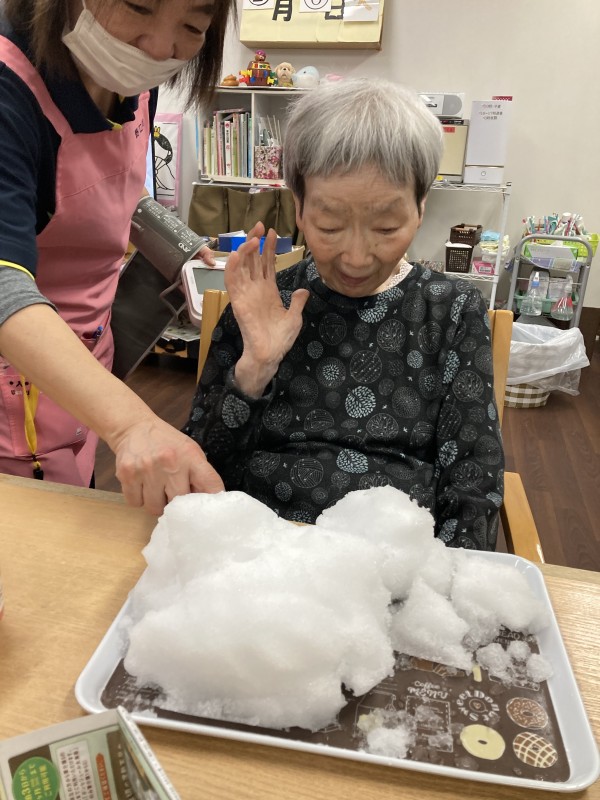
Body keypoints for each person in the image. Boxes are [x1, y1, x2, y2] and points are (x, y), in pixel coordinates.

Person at [184, 78, 505, 550]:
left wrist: (445, 583)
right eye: (330, 225)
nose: (356, 257)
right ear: (299, 207)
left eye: (386, 227)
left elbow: (474, 483)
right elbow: (199, 469)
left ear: (421, 208)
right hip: (260, 557)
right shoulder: (263, 300)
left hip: (392, 565)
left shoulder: (451, 311)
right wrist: (255, 368)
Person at [0, 0, 237, 514]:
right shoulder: (9, 89)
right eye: (138, 7)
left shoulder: (136, 81)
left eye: (192, 26)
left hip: (85, 373)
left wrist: (181, 243)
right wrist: (131, 424)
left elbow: (112, 185)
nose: (159, 48)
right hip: (16, 381)